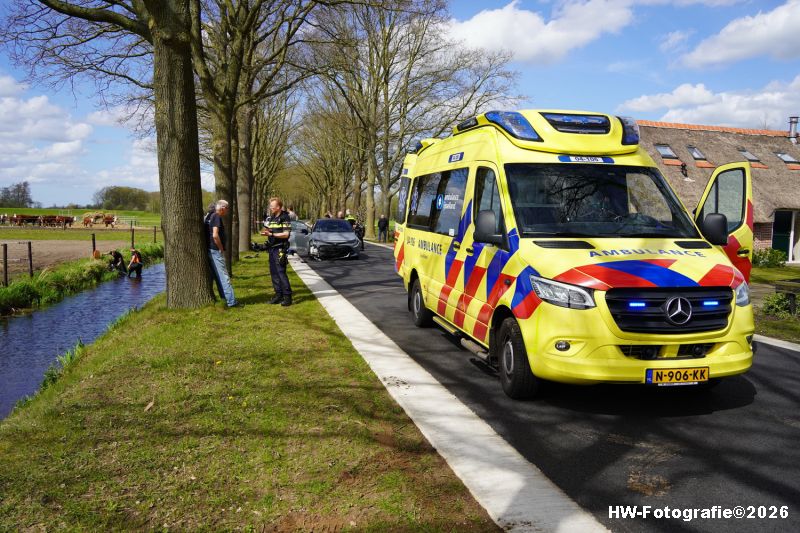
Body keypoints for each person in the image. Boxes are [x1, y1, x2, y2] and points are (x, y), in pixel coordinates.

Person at [261, 197, 293, 306]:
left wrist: (272, 234)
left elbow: (286, 234)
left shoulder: (285, 217)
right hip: (272, 248)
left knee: (280, 272)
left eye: (272, 207)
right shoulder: (272, 217)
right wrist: (267, 232)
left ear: (278, 207)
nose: (270, 208)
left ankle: (287, 297)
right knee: (273, 272)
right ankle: (278, 295)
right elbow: (269, 229)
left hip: (280, 248)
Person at [206, 200, 238, 307]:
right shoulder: (216, 216)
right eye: (227, 209)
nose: (227, 211)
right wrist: (221, 248)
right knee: (224, 277)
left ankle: (224, 299)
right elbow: (215, 235)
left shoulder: (208, 216)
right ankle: (231, 302)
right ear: (223, 208)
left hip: (209, 249)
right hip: (215, 250)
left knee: (217, 276)